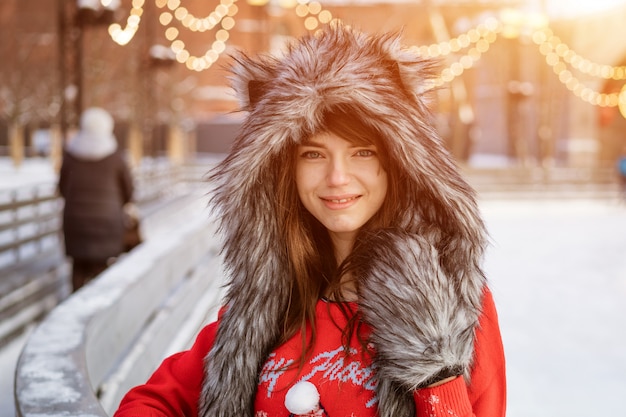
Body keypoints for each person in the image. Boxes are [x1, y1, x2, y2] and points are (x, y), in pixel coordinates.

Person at [114, 24, 506, 417]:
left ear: (397, 164)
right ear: (286, 168)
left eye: (362, 153)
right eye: (314, 154)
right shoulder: (266, 303)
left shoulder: (455, 305)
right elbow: (150, 402)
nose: (337, 177)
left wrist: (433, 362)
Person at [58, 107, 134, 292]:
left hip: (75, 222)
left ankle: (74, 305)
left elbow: (62, 188)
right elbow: (129, 191)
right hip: (107, 222)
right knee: (102, 266)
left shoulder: (70, 155)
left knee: (78, 265)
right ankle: (99, 312)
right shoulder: (116, 157)